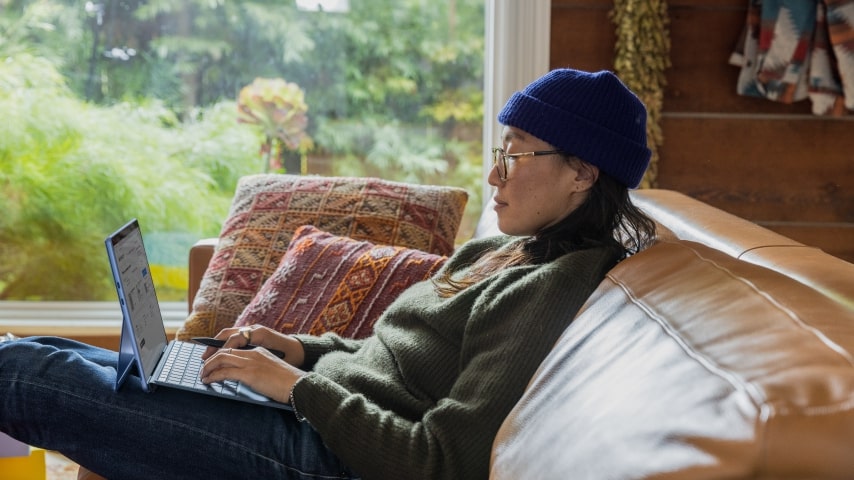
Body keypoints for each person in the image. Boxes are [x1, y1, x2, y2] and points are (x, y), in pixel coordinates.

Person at [0, 68, 656, 480]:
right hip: (308, 416)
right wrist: (302, 351)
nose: (493, 175)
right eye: (499, 151)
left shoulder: (556, 286)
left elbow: (442, 462)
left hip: (323, 455)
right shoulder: (500, 252)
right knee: (53, 354)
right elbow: (392, 365)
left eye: (516, 154)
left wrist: (296, 388)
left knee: (24, 377)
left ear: (582, 173)